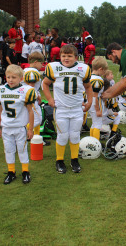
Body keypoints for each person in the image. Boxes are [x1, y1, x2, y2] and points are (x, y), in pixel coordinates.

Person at [42, 44, 93, 174]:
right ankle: (59, 160)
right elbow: (45, 84)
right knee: (63, 136)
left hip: (77, 108)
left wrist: (90, 100)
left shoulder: (83, 69)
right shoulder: (55, 68)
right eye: (63, 56)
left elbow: (88, 87)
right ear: (60, 57)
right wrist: (49, 99)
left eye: (69, 56)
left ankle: (74, 159)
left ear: (76, 57)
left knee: (75, 135)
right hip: (61, 108)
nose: (66, 58)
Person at [0, 64, 36, 184]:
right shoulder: (0, 90)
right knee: (9, 150)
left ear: (21, 78)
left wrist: (30, 129)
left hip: (20, 127)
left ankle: (25, 171)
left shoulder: (26, 91)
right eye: (8, 77)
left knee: (22, 150)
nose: (11, 80)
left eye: (14, 77)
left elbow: (30, 111)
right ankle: (11, 172)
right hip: (6, 127)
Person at [23, 52, 44, 135]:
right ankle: (22, 131)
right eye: (41, 63)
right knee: (37, 119)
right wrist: (38, 96)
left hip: (25, 97)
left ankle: (36, 137)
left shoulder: (25, 70)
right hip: (31, 98)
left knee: (31, 118)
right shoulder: (33, 72)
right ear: (35, 62)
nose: (42, 65)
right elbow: (31, 87)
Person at [89, 57, 108, 140]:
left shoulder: (89, 77)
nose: (104, 73)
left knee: (94, 123)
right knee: (97, 124)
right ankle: (95, 143)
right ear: (100, 69)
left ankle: (91, 140)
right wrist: (97, 109)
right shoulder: (97, 80)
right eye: (104, 71)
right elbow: (95, 96)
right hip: (95, 103)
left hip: (89, 102)